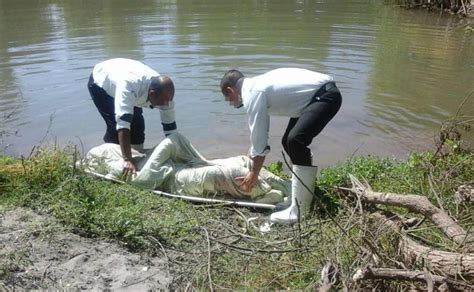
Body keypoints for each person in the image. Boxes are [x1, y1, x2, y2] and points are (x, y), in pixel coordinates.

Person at [220, 68, 342, 224]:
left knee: (295, 141)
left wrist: (254, 173)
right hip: (317, 96)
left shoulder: (253, 93)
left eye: (228, 98)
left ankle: (300, 210)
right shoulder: (257, 84)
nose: (230, 103)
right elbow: (257, 137)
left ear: (230, 90)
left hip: (325, 96)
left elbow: (260, 138)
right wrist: (252, 156)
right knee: (288, 141)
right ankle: (301, 194)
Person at [88, 58, 177, 177]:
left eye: (168, 101)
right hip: (102, 84)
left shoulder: (165, 95)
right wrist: (127, 159)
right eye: (162, 102)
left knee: (138, 127)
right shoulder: (128, 86)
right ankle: (109, 162)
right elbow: (123, 125)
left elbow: (170, 128)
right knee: (115, 127)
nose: (166, 105)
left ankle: (136, 161)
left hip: (127, 78)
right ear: (152, 94)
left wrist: (175, 152)